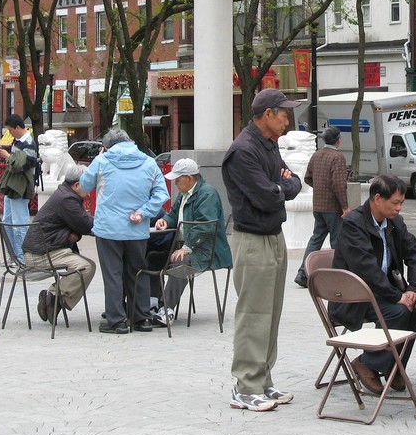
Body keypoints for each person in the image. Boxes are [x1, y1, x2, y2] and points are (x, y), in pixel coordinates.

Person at [221, 88, 302, 412]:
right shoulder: (243, 150)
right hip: (252, 240)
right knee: (254, 313)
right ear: (267, 114)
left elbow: (294, 182)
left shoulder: (267, 145)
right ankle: (246, 385)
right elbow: (268, 196)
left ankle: (263, 380)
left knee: (271, 312)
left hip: (272, 236)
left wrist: (282, 185)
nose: (287, 119)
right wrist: (282, 186)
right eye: (284, 113)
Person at [332, 174, 416, 396]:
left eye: (402, 203)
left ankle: (392, 366)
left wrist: (414, 289)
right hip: (354, 296)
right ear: (377, 198)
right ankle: (368, 362)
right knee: (399, 312)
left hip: (384, 292)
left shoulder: (395, 222)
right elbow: (366, 269)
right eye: (395, 203)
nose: (399, 208)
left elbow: (414, 255)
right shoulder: (353, 224)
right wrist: (397, 296)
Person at [79, 129, 169, 335]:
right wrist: (143, 212)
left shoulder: (102, 161)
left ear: (106, 146)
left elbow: (84, 185)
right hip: (137, 228)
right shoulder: (148, 162)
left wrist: (99, 158)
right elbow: (161, 194)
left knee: (113, 274)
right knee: (138, 271)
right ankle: (142, 318)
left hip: (108, 229)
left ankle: (116, 321)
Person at [154, 158, 231, 319]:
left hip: (206, 250)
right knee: (152, 257)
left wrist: (186, 247)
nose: (175, 182)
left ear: (189, 178)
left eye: (177, 178)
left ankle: (166, 309)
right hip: (187, 244)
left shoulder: (207, 194)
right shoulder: (184, 194)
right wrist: (165, 221)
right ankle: (153, 302)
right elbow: (174, 214)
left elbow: (206, 227)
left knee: (180, 262)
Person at [21, 165, 95, 323]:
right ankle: (53, 296)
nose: (89, 194)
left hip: (46, 248)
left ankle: (52, 301)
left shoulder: (64, 194)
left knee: (86, 265)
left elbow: (80, 224)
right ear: (76, 185)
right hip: (41, 253)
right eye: (88, 187)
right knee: (86, 267)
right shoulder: (67, 199)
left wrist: (73, 234)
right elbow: (87, 224)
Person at [294, 126, 349, 288]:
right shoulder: (337, 157)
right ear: (338, 140)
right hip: (332, 207)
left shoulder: (316, 155)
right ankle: (338, 275)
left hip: (318, 205)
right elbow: (339, 184)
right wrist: (345, 207)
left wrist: (319, 188)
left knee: (316, 238)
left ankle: (303, 272)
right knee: (337, 241)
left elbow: (307, 178)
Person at [0, 114, 38, 262]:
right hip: (12, 186)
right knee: (8, 220)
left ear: (17, 127)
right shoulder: (18, 141)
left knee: (19, 222)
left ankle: (22, 256)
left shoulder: (29, 143)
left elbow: (23, 165)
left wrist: (7, 156)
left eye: (10, 130)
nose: (10, 133)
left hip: (20, 187)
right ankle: (12, 255)